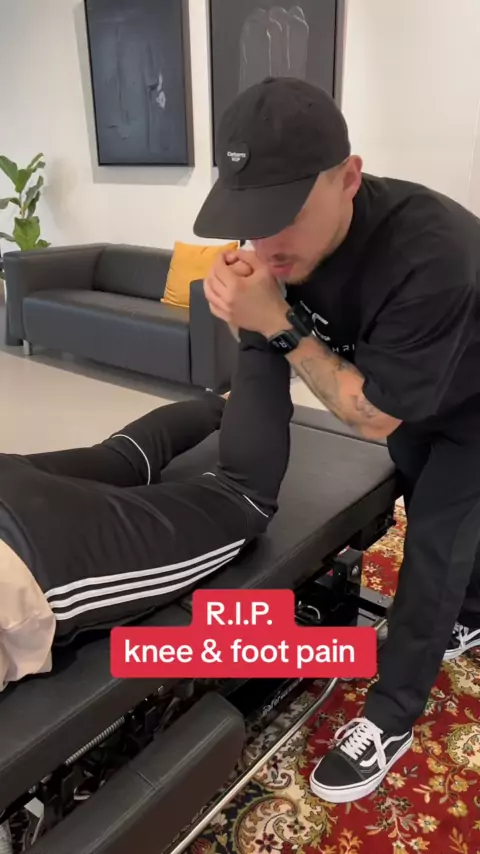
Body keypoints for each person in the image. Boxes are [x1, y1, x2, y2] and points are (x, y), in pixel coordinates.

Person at [194, 76, 480, 804]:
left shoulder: (432, 253)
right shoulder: (281, 247)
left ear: (349, 178)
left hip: (474, 403)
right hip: (412, 389)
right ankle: (472, 617)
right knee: (426, 503)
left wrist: (275, 321)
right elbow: (264, 356)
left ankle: (392, 717)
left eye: (284, 215)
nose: (264, 243)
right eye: (250, 219)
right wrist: (248, 311)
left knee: (435, 546)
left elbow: (373, 416)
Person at [0, 338, 293, 691]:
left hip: (24, 560)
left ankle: (267, 333)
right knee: (121, 457)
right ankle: (227, 401)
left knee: (242, 499)